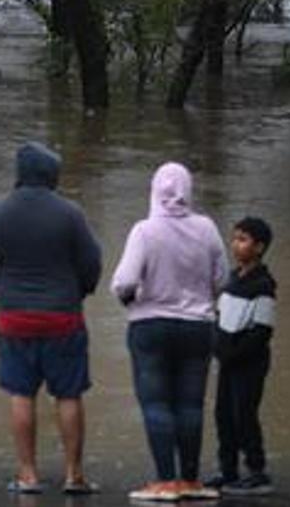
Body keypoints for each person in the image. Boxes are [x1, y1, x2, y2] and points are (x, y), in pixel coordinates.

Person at [0, 141, 102, 496]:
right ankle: (74, 475)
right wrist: (79, 292)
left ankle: (28, 476)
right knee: (69, 394)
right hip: (63, 317)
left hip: (14, 319)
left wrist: (3, 287)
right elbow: (92, 264)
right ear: (51, 174)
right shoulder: (71, 213)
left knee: (21, 394)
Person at [110, 162, 226, 502]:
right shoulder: (207, 228)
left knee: (156, 402)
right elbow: (222, 278)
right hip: (199, 327)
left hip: (151, 326)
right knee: (191, 404)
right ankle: (191, 481)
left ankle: (164, 482)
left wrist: (130, 299)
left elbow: (125, 281)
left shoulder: (145, 231)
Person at [206, 217, 277, 496]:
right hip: (228, 360)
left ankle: (257, 472)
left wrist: (233, 354)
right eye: (234, 238)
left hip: (250, 363)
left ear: (259, 247)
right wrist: (217, 347)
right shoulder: (232, 279)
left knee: (244, 414)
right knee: (223, 414)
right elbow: (220, 317)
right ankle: (228, 470)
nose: (236, 244)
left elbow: (262, 331)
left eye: (243, 239)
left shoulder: (264, 286)